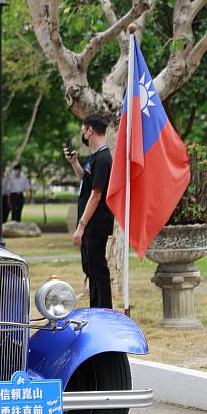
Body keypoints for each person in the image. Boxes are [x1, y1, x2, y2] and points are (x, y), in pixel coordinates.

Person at [65, 114, 114, 308]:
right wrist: (74, 163)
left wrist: (81, 225)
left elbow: (96, 195)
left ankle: (105, 310)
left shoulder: (103, 159)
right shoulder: (94, 158)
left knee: (97, 269)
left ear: (90, 130)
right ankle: (96, 308)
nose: (82, 135)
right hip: (90, 223)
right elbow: (85, 182)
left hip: (96, 223)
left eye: (83, 131)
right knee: (90, 268)